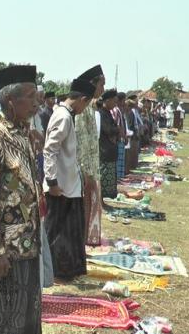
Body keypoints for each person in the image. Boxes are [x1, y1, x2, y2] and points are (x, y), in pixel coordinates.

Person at [0, 65, 42, 334]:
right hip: (6, 250)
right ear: (11, 102)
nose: (36, 102)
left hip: (27, 244)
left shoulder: (22, 133)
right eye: (30, 96)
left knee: (26, 314)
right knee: (1, 318)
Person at [43, 78, 95, 282]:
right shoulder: (63, 117)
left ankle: (64, 271)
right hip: (60, 186)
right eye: (87, 103)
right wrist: (52, 182)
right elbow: (50, 150)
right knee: (55, 231)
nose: (85, 108)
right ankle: (51, 271)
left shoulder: (67, 115)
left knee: (69, 232)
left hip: (69, 184)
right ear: (82, 99)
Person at [74, 64, 104, 246]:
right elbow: (81, 144)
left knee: (89, 207)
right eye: (102, 85)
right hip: (84, 172)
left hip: (91, 169)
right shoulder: (82, 109)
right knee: (83, 208)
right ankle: (81, 244)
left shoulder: (90, 108)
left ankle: (84, 242)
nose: (103, 90)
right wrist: (87, 174)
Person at [99, 90, 120, 199]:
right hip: (105, 152)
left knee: (110, 180)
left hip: (110, 152)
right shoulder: (101, 113)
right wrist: (117, 130)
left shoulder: (107, 113)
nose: (115, 104)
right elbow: (108, 130)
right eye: (114, 102)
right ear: (107, 100)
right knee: (104, 179)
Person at [113, 92, 129, 178]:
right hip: (119, 140)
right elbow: (119, 126)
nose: (125, 103)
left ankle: (120, 178)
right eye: (124, 100)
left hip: (120, 139)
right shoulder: (116, 110)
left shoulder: (119, 110)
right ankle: (119, 179)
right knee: (119, 162)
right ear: (120, 101)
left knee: (120, 161)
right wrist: (124, 137)